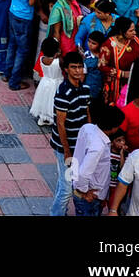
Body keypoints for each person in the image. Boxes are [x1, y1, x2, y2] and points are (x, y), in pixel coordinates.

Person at [49, 50, 91, 216]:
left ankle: (56, 210)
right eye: (73, 67)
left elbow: (87, 113)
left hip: (79, 144)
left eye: (80, 67)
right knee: (67, 188)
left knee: (63, 182)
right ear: (66, 69)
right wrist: (67, 151)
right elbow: (60, 123)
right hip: (64, 146)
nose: (77, 71)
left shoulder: (85, 89)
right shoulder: (63, 93)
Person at [71, 104, 126, 216]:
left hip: (80, 190)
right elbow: (83, 174)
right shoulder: (98, 147)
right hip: (89, 197)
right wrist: (84, 193)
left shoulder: (87, 128)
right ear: (113, 127)